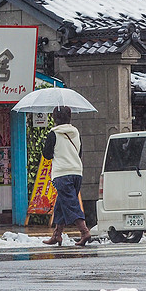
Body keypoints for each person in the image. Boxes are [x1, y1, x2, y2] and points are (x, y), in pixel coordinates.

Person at [41, 106, 91, 247]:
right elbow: (79, 152)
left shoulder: (53, 134)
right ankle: (57, 235)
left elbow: (47, 154)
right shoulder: (75, 132)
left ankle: (84, 231)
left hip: (62, 174)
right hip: (76, 172)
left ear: (55, 118)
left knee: (70, 203)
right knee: (62, 203)